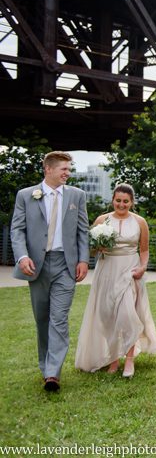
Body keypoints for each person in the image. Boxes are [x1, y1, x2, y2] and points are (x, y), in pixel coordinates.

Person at [11, 151, 89, 391]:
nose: (68, 173)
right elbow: (17, 230)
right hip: (36, 265)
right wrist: (22, 256)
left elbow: (82, 230)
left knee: (59, 318)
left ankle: (53, 373)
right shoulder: (26, 195)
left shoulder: (77, 195)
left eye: (69, 169)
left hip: (66, 266)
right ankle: (45, 366)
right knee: (42, 318)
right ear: (48, 169)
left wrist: (84, 260)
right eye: (63, 169)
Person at [75, 184, 156, 377]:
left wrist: (143, 267)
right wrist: (98, 248)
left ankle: (129, 360)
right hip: (106, 271)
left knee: (128, 315)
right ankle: (113, 360)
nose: (121, 204)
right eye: (118, 200)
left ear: (132, 202)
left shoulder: (140, 222)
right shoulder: (101, 220)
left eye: (125, 201)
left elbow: (144, 250)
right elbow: (91, 247)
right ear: (113, 200)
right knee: (107, 316)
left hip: (130, 270)